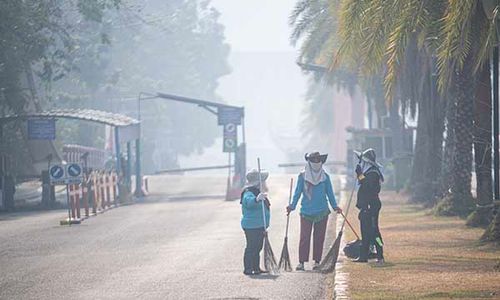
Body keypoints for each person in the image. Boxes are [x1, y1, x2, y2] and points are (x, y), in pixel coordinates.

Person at [287, 152, 342, 271]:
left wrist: (335, 206)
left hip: (322, 211)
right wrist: (292, 205)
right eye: (314, 160)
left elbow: (330, 193)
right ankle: (301, 262)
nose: (316, 163)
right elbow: (297, 193)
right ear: (309, 162)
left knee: (319, 237)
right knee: (304, 237)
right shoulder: (302, 176)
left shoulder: (325, 177)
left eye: (318, 160)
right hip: (306, 211)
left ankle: (317, 261)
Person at [353, 148, 385, 265]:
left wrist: (360, 175)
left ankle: (380, 254)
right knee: (365, 232)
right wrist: (360, 175)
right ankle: (363, 256)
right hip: (365, 207)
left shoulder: (373, 173)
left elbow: (368, 187)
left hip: (372, 207)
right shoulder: (368, 172)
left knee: (374, 232)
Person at [240, 168, 271, 275]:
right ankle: (248, 268)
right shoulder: (248, 192)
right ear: (258, 182)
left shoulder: (258, 192)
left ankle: (256, 267)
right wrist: (256, 199)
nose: (264, 183)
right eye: (262, 181)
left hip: (259, 225)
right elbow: (248, 202)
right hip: (251, 226)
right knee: (251, 247)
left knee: (258, 247)